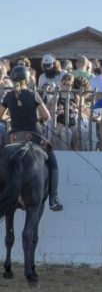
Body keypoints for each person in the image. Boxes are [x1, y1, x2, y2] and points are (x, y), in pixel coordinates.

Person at [0, 66, 63, 211]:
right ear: (27, 79)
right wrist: (38, 118)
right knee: (53, 163)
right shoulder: (33, 94)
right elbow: (46, 116)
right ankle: (53, 199)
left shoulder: (8, 96)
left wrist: (10, 116)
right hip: (34, 135)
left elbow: (0, 115)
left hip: (14, 137)